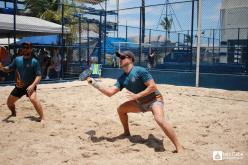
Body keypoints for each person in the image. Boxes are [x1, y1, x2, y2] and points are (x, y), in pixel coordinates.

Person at [87, 51, 183, 153]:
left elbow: (153, 86)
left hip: (154, 100)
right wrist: (94, 83)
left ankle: (179, 147)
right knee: (121, 109)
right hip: (140, 103)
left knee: (159, 119)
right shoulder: (122, 78)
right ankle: (126, 133)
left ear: (131, 59)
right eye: (120, 58)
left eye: (123, 57)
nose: (121, 59)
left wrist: (137, 95)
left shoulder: (140, 70)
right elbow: (110, 93)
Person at [0, 42, 45, 123]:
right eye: (23, 47)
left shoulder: (35, 61)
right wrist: (2, 68)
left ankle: (42, 118)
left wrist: (32, 85)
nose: (24, 49)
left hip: (30, 86)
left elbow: (39, 76)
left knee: (33, 99)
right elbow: (10, 68)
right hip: (19, 86)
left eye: (27, 47)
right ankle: (13, 112)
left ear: (31, 49)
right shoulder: (17, 59)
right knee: (9, 103)